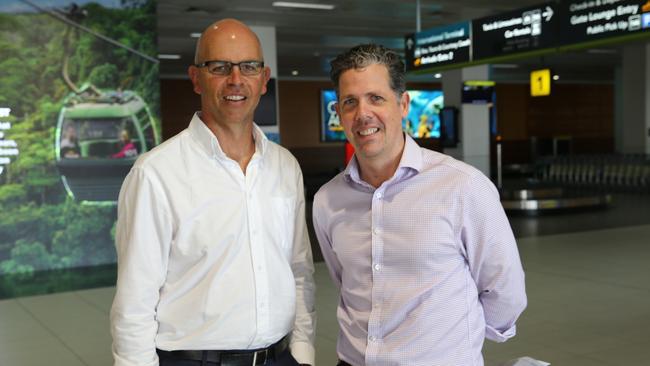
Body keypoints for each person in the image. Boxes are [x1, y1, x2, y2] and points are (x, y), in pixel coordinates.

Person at [110, 19, 316, 366]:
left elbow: (299, 271)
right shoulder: (155, 174)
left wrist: (303, 353)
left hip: (280, 358)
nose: (236, 80)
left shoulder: (285, 167)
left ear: (264, 80)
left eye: (248, 67)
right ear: (196, 78)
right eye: (219, 67)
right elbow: (135, 301)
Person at [312, 44, 526, 366]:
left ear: (403, 105)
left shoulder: (463, 187)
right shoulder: (328, 200)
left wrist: (454, 345)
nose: (362, 114)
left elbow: (504, 290)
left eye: (376, 98)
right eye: (349, 102)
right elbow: (346, 282)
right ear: (340, 113)